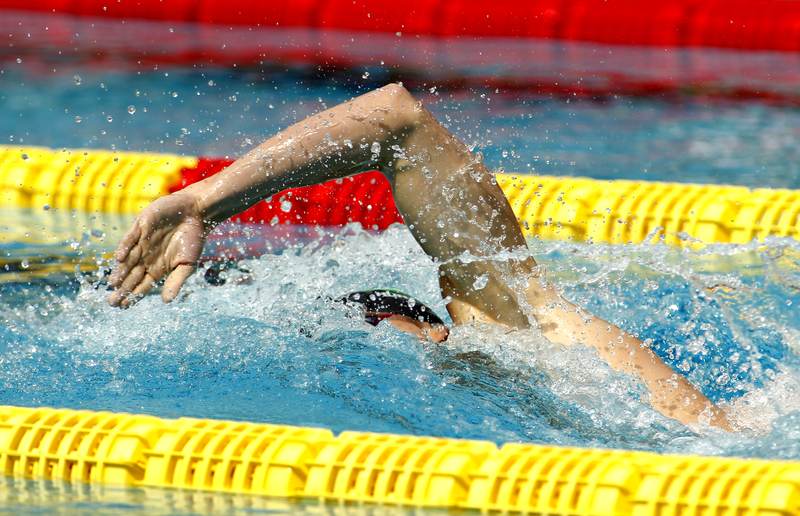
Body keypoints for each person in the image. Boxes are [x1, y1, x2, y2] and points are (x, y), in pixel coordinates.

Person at [107, 83, 731, 430]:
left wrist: (206, 201)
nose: (384, 358)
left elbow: (395, 119)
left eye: (380, 336)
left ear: (434, 325)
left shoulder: (514, 322)